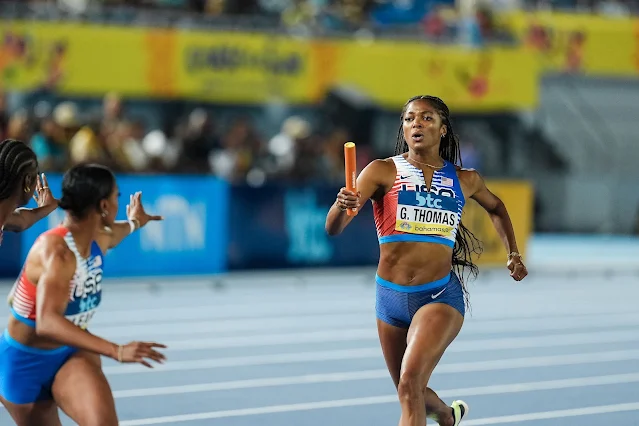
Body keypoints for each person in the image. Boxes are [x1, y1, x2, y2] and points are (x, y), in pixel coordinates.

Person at [325, 95, 528, 426]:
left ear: (443, 129)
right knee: (410, 390)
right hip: (388, 298)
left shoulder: (465, 179)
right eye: (409, 119)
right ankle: (447, 417)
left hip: (439, 296)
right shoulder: (380, 171)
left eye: (426, 118)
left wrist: (513, 253)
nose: (416, 124)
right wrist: (339, 205)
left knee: (410, 384)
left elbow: (497, 208)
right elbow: (334, 228)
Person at [0, 163, 167, 426]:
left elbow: (116, 233)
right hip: (23, 365)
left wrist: (136, 221)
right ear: (103, 206)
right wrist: (117, 350)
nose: (117, 203)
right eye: (116, 197)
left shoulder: (97, 238)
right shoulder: (56, 253)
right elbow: (47, 322)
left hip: (70, 352)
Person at [0, 139, 59, 244]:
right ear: (27, 180)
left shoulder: (4, 214)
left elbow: (22, 220)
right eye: (35, 177)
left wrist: (47, 207)